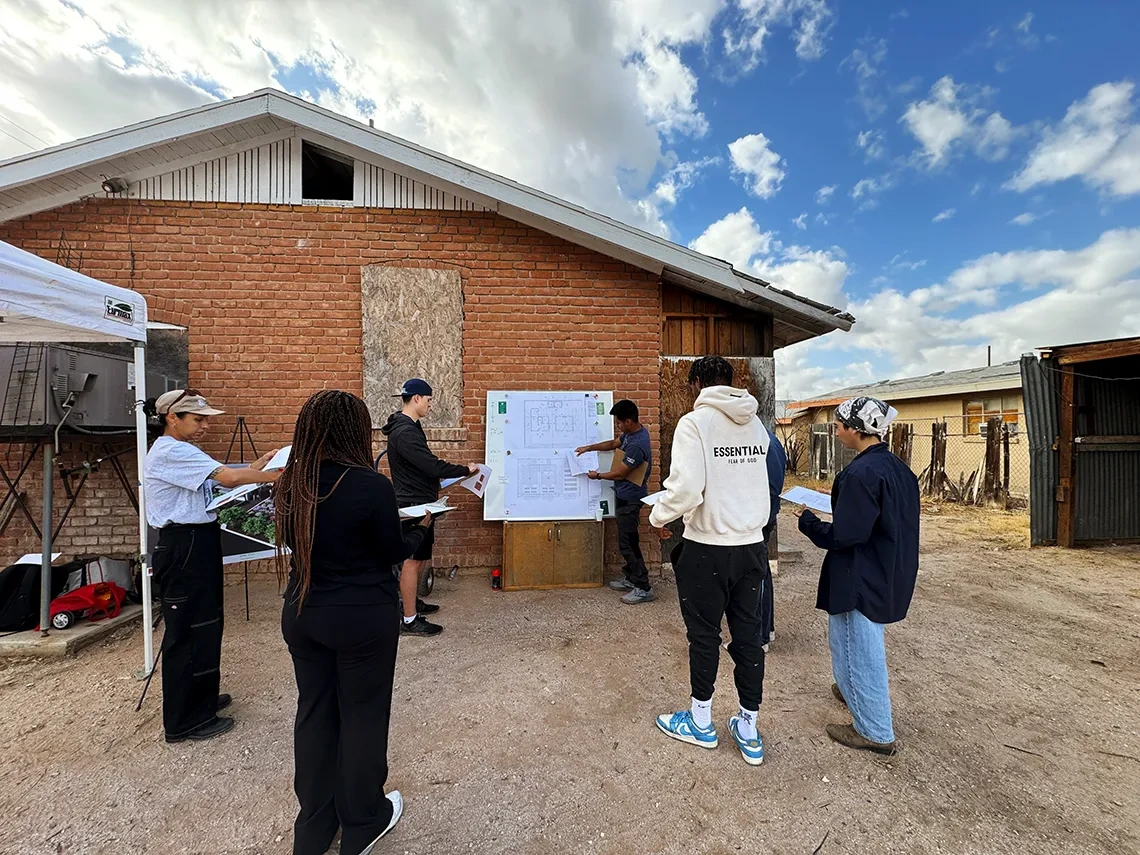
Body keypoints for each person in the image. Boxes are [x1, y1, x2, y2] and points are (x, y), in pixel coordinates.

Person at [276, 390, 433, 855]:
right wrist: (419, 529)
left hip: (303, 611)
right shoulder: (369, 485)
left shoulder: (290, 484)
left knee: (315, 713)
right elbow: (391, 551)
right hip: (361, 617)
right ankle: (363, 819)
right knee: (362, 715)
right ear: (354, 432)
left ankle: (314, 828)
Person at [648, 356, 771, 767]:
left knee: (704, 636)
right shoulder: (756, 426)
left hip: (707, 547)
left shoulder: (694, 424)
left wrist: (658, 516)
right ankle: (749, 728)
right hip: (752, 546)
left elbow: (687, 490)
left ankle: (701, 723)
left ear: (697, 382)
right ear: (733, 383)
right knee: (748, 636)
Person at [143, 389, 280, 743]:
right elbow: (228, 480)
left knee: (206, 622)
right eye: (198, 419)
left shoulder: (184, 450)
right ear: (173, 418)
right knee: (189, 629)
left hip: (196, 540)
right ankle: (184, 719)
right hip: (183, 542)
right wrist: (276, 476)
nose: (205, 425)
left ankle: (201, 697)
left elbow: (217, 485)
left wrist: (257, 466)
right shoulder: (172, 451)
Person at [795, 396, 919, 756]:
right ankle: (851, 691)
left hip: (860, 575)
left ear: (855, 429)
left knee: (858, 646)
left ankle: (875, 731)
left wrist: (809, 524)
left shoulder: (859, 474)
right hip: (888, 567)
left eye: (838, 425)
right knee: (848, 640)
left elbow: (846, 535)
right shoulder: (897, 468)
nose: (835, 431)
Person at [380, 378, 477, 636]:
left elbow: (423, 467)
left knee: (421, 557)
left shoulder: (410, 426)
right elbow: (430, 465)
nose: (430, 405)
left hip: (421, 499)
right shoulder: (405, 431)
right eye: (429, 400)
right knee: (412, 561)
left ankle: (411, 602)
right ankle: (409, 619)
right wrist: (464, 470)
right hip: (414, 504)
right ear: (416, 398)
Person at [574, 399, 654, 604]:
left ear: (628, 421)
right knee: (626, 540)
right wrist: (589, 448)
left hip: (630, 499)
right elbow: (612, 444)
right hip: (622, 495)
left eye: (618, 422)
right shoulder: (630, 434)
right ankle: (631, 578)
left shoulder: (638, 445)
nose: (617, 426)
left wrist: (597, 476)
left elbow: (620, 474)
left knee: (629, 543)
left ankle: (643, 587)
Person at [760, 426, 786, 648]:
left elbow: (766, 487)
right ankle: (767, 629)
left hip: (758, 518)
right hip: (768, 515)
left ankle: (759, 637)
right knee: (762, 571)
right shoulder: (773, 440)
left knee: (755, 574)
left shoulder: (759, 443)